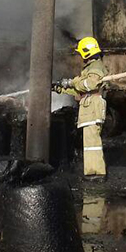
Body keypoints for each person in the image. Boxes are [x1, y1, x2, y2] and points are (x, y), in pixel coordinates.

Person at [53, 36, 108, 182]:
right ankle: (92, 172)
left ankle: (96, 174)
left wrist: (72, 81)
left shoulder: (96, 67)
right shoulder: (91, 68)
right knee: (89, 141)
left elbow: (90, 84)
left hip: (93, 105)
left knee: (93, 141)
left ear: (86, 52)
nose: (80, 56)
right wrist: (61, 89)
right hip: (89, 104)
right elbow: (80, 92)